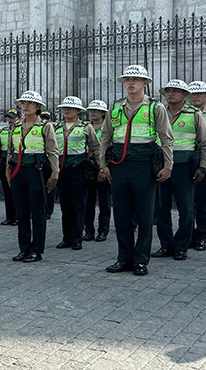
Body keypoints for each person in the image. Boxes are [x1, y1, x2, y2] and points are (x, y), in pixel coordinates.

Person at [99, 65, 173, 276]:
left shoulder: (154, 107)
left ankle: (141, 260)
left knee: (144, 214)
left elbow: (167, 138)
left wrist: (168, 166)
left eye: (136, 79)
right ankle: (124, 259)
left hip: (144, 165)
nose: (131, 83)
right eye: (128, 79)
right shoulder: (115, 107)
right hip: (119, 165)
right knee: (121, 214)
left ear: (145, 83)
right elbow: (105, 137)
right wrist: (103, 164)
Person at [151, 79, 206, 260]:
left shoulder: (195, 114)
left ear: (184, 95)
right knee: (161, 208)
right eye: (168, 91)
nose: (171, 94)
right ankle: (166, 245)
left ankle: (181, 246)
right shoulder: (158, 112)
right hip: (162, 165)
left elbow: (204, 144)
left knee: (186, 209)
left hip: (184, 166)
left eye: (176, 91)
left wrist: (202, 167)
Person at [7, 91, 59, 263]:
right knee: (21, 212)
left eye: (30, 103)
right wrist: (9, 171)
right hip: (18, 171)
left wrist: (54, 173)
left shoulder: (45, 126)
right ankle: (24, 248)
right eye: (23, 103)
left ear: (38, 106)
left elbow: (52, 151)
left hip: (36, 172)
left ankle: (36, 250)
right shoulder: (15, 127)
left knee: (37, 212)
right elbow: (10, 151)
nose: (25, 106)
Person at [53, 96, 100, 251]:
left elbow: (95, 147)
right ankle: (66, 237)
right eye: (64, 108)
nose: (66, 110)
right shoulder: (56, 128)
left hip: (79, 169)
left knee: (79, 204)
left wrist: (101, 167)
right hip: (62, 169)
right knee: (65, 205)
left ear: (78, 111)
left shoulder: (86, 127)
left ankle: (77, 238)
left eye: (70, 108)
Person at [83, 100, 111, 242]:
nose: (93, 112)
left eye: (96, 110)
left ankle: (103, 230)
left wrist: (103, 167)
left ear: (103, 112)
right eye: (91, 110)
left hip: (103, 166)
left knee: (104, 200)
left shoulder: (107, 127)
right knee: (89, 200)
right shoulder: (86, 127)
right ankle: (89, 230)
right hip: (88, 166)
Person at [189, 80, 206, 251]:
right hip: (188, 162)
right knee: (188, 203)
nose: (195, 97)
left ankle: (202, 235)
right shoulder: (187, 113)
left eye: (199, 94)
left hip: (203, 162)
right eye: (192, 94)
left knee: (202, 203)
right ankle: (191, 235)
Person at [0, 108, 19, 226]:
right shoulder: (3, 131)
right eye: (8, 117)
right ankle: (9, 216)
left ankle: (16, 216)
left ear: (18, 118)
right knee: (6, 191)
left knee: (15, 191)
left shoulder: (21, 130)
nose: (10, 120)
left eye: (13, 117)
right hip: (4, 162)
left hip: (15, 162)